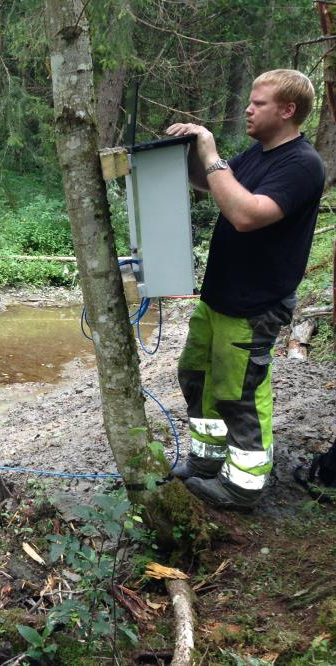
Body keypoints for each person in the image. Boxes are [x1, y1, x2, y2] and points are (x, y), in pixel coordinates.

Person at [164, 69, 325, 510]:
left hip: (255, 304)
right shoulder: (258, 154)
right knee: (197, 376)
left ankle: (243, 486)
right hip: (218, 296)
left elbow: (246, 213)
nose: (248, 109)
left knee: (240, 394)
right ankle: (206, 461)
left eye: (259, 103)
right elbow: (217, 184)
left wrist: (212, 153)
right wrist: (185, 155)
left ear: (287, 110)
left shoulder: (302, 164)